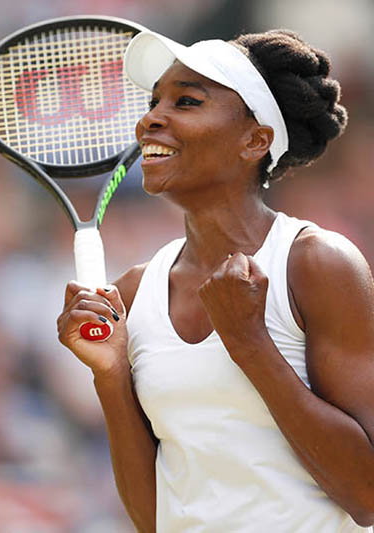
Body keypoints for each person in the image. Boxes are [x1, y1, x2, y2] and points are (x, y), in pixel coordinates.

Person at [57, 29, 374, 532]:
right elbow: (152, 520)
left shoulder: (318, 263)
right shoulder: (135, 292)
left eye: (185, 101)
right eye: (153, 100)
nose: (151, 118)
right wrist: (110, 374)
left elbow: (367, 496)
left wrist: (250, 344)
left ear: (255, 140)